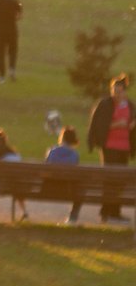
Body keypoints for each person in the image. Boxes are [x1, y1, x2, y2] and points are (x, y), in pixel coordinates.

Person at [87, 73, 132, 222]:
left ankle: (116, 211)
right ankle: (106, 211)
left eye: (119, 91)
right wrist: (116, 125)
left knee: (120, 180)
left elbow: (132, 120)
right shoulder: (105, 104)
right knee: (110, 179)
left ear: (125, 91)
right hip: (110, 146)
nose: (116, 94)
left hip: (124, 147)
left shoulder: (129, 105)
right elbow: (99, 125)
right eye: (114, 90)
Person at [45, 126, 83, 225]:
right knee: (79, 189)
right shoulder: (75, 155)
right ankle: (72, 218)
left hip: (50, 189)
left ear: (62, 138)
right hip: (68, 190)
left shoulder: (52, 152)